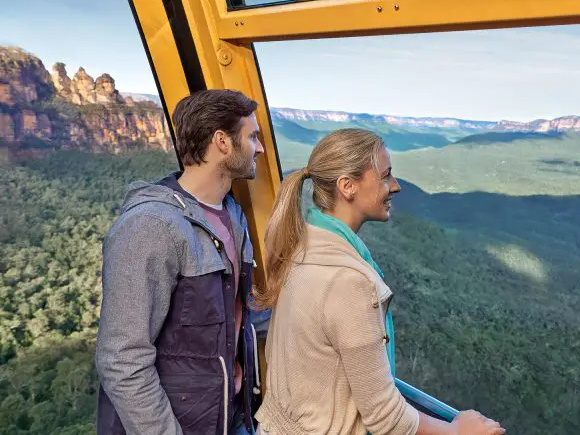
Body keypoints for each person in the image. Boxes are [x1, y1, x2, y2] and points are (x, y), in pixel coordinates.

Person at [252, 129, 505, 435]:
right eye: (385, 176)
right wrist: (458, 431)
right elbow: (384, 416)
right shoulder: (347, 281)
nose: (395, 186)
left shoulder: (301, 246)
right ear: (347, 186)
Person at [96, 89, 266, 435]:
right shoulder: (152, 226)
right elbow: (123, 359)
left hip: (229, 414)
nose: (260, 149)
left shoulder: (232, 215)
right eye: (253, 137)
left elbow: (243, 312)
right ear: (222, 142)